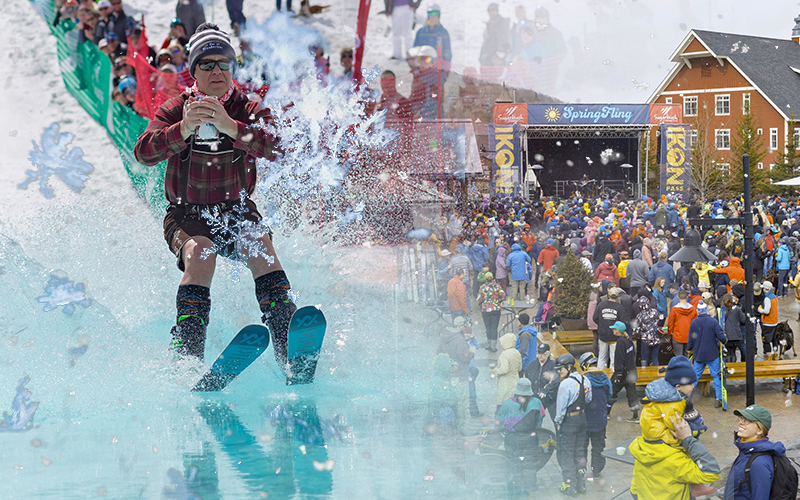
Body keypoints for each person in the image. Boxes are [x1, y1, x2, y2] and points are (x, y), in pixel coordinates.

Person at [134, 24, 296, 367]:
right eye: (206, 64)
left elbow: (281, 147)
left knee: (259, 242)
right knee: (202, 252)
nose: (217, 71)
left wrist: (232, 127)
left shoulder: (247, 108)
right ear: (194, 71)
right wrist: (182, 130)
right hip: (187, 214)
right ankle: (188, 356)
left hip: (236, 210)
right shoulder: (177, 108)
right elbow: (143, 153)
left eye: (223, 63)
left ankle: (287, 342)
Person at [631, 356, 720, 500]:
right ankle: (694, 487)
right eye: (690, 383)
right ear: (678, 386)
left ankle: (695, 487)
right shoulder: (674, 404)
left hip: (652, 441)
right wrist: (688, 439)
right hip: (666, 446)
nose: (693, 386)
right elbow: (712, 472)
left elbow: (634, 489)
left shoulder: (642, 450)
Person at [724, 405, 789, 500]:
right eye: (741, 418)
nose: (740, 422)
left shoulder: (759, 463)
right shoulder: (746, 450)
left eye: (747, 420)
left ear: (759, 430)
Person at [495, 378, 545, 499]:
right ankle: (531, 492)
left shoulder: (507, 403)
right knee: (529, 466)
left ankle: (517, 490)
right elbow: (540, 417)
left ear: (516, 391)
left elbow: (499, 420)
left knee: (515, 465)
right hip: (531, 439)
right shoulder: (537, 402)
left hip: (512, 440)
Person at [554, 353, 592, 497]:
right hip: (582, 419)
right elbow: (588, 399)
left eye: (561, 369)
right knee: (579, 452)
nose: (559, 372)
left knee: (567, 454)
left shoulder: (565, 384)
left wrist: (558, 422)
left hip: (569, 422)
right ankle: (581, 485)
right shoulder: (585, 380)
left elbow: (561, 408)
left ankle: (570, 486)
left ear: (569, 368)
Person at [687, 301, 727, 409]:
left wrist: (689, 350)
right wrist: (724, 339)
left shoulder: (694, 323)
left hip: (699, 355)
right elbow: (721, 336)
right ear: (706, 310)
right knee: (716, 376)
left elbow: (690, 339)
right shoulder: (713, 321)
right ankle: (718, 398)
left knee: (695, 377)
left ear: (698, 311)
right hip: (712, 354)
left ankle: (688, 396)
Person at [578, 352, 611, 480]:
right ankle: (596, 470)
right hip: (600, 418)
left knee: (582, 447)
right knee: (598, 447)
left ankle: (582, 469)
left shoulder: (583, 379)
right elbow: (609, 394)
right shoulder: (606, 377)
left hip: (585, 419)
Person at [437, 316, 473, 432]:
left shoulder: (444, 337)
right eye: (463, 326)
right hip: (460, 376)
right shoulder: (460, 340)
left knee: (450, 403)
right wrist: (471, 353)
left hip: (447, 377)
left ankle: (451, 427)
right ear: (459, 326)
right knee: (462, 404)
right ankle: (462, 428)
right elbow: (465, 357)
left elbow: (438, 355)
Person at [606, 321, 640, 422]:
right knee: (632, 394)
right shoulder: (628, 340)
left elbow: (620, 359)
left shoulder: (620, 342)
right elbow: (631, 356)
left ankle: (606, 413)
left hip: (622, 374)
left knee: (611, 392)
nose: (613, 330)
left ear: (618, 331)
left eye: (614, 329)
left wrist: (618, 375)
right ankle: (635, 416)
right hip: (631, 373)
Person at [524, 343, 559, 424]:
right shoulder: (532, 364)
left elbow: (555, 381)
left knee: (556, 420)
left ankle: (559, 435)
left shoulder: (553, 365)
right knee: (537, 421)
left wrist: (545, 390)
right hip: (536, 398)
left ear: (548, 354)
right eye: (539, 353)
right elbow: (526, 377)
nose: (541, 356)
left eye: (543, 354)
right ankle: (537, 435)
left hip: (550, 398)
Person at [413, 4, 452, 72]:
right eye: (430, 14)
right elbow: (414, 50)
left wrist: (445, 69)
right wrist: (415, 67)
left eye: (435, 14)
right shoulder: (421, 32)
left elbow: (447, 51)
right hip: (422, 68)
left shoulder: (443, 32)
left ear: (438, 16)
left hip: (436, 69)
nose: (433, 16)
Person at [592, 287, 624, 369]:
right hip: (614, 335)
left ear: (608, 295)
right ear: (617, 296)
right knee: (613, 358)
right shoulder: (619, 307)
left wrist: (602, 324)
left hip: (602, 334)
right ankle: (612, 377)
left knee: (602, 357)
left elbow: (595, 318)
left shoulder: (601, 304)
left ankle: (600, 376)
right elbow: (622, 321)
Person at [491, 333, 522, 413]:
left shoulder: (505, 354)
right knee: (513, 402)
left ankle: (500, 422)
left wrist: (495, 371)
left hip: (505, 382)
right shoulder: (517, 352)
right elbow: (520, 368)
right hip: (515, 381)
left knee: (502, 402)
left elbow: (504, 369)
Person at [477, 271, 505, 351]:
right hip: (496, 310)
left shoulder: (482, 287)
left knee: (488, 327)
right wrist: (498, 301)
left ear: (485, 279)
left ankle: (489, 344)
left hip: (485, 310)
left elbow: (479, 299)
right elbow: (503, 296)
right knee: (494, 328)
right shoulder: (497, 286)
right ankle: (494, 346)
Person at [479, 3, 511, 68]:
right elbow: (485, 43)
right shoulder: (488, 25)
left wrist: (498, 61)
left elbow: (505, 43)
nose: (491, 12)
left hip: (496, 64)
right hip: (486, 62)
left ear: (497, 11)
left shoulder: (502, 25)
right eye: (489, 10)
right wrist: (481, 58)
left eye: (493, 9)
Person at [635, 294, 661, 367]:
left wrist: (639, 335)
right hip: (655, 339)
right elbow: (657, 322)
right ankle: (656, 374)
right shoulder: (655, 312)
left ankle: (645, 375)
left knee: (644, 359)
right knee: (655, 359)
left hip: (645, 340)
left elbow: (637, 330)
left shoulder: (639, 316)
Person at [668, 289, 697, 357]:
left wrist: (670, 333)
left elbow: (670, 323)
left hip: (677, 335)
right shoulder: (693, 309)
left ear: (678, 297)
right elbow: (695, 323)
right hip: (689, 336)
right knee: (687, 357)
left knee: (678, 357)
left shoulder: (674, 310)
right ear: (687, 297)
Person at [757, 281, 779, 360]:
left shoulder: (767, 298)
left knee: (766, 340)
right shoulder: (774, 297)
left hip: (768, 322)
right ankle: (775, 354)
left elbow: (767, 311)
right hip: (774, 321)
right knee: (774, 339)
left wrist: (760, 310)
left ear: (765, 289)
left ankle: (768, 356)